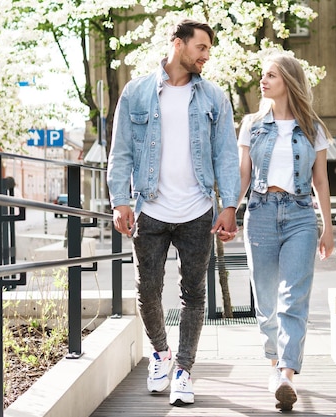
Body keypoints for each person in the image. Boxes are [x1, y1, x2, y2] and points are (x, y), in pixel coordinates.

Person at [106, 19, 240, 406]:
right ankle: (161, 353)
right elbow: (122, 152)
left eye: (209, 50)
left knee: (194, 294)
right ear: (177, 44)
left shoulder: (214, 97)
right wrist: (120, 201)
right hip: (150, 207)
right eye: (200, 48)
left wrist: (228, 205)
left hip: (197, 208)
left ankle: (183, 371)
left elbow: (226, 155)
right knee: (147, 292)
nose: (206, 56)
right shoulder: (137, 92)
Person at [237, 51, 335, 411]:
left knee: (294, 297)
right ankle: (275, 363)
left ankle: (286, 375)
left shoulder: (313, 128)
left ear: (289, 82)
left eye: (271, 76)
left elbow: (321, 181)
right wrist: (229, 211)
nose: (263, 81)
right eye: (263, 75)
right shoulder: (251, 124)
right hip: (260, 213)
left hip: (300, 216)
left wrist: (328, 227)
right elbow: (243, 175)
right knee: (266, 301)